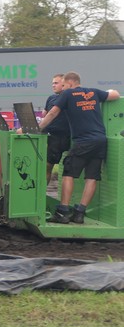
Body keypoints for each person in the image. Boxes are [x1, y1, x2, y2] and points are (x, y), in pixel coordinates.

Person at [37, 71, 120, 224]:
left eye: (63, 84)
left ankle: (62, 212)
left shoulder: (68, 94)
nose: (61, 87)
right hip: (100, 140)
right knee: (92, 177)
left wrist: (38, 128)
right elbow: (115, 94)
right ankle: (80, 213)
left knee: (68, 173)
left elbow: (52, 113)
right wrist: (108, 91)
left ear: (69, 83)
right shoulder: (93, 92)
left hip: (83, 142)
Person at [43, 74, 71, 184]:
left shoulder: (69, 98)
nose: (53, 85)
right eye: (52, 83)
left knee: (49, 166)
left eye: (56, 83)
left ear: (64, 84)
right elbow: (45, 114)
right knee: (46, 167)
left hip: (62, 137)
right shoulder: (51, 98)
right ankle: (42, 191)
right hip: (49, 136)